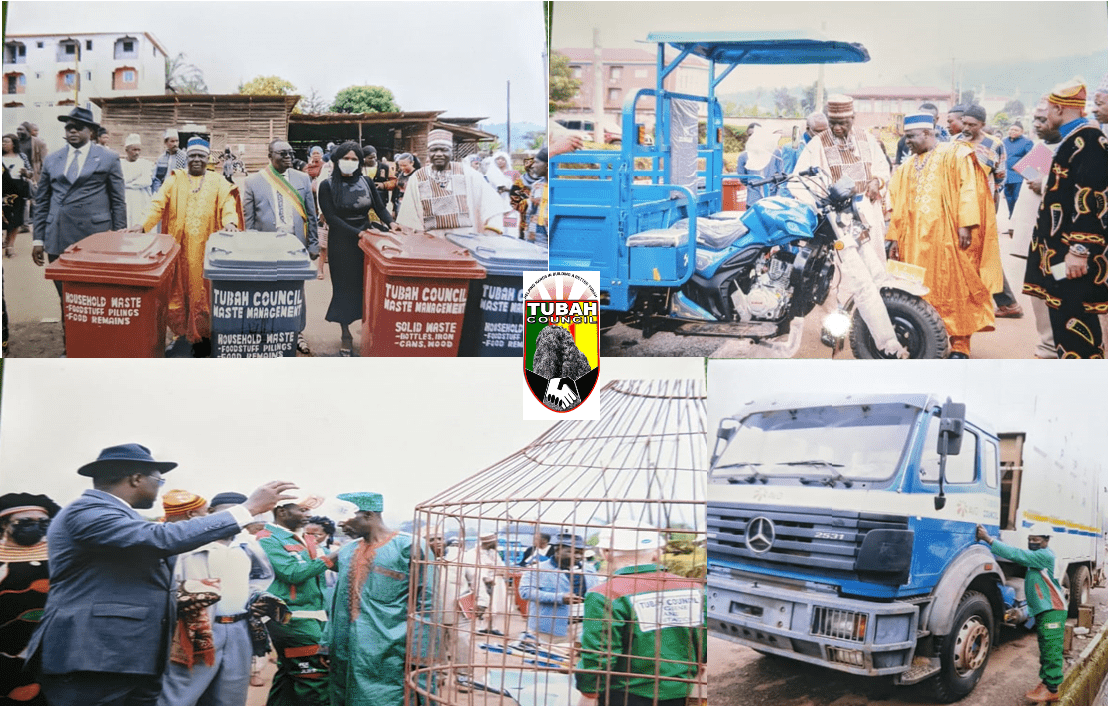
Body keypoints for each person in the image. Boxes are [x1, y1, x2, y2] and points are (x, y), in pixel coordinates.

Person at [24, 443, 296, 706]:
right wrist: (246, 509)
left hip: (123, 656)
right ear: (136, 478)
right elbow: (159, 538)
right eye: (159, 480)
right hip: (94, 656)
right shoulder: (89, 511)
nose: (158, 489)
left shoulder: (116, 514)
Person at [886, 112, 1003, 358]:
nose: (906, 142)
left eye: (910, 137)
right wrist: (894, 237)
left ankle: (961, 345)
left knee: (955, 289)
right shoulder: (906, 166)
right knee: (918, 290)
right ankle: (924, 338)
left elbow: (969, 189)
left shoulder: (955, 154)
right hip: (914, 243)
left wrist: (966, 224)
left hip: (948, 238)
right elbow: (896, 204)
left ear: (927, 133)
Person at [157, 491, 276, 706]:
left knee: (231, 695)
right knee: (180, 695)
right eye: (228, 513)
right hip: (196, 629)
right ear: (211, 513)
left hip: (239, 628)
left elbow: (261, 577)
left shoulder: (247, 545)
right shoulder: (186, 546)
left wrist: (256, 596)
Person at [1022, 79, 1108, 358]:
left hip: (1074, 259)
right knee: (1061, 314)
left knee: (1076, 323)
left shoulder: (1090, 141)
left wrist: (1080, 251)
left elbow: (1091, 198)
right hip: (1060, 259)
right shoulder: (1073, 139)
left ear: (1058, 108)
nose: (1045, 115)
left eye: (1047, 109)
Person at [575, 526, 706, 706]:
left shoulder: (604, 594)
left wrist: (589, 693)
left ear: (606, 553)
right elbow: (702, 640)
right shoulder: (694, 589)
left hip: (625, 694)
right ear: (656, 553)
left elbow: (598, 654)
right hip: (678, 691)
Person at [138, 136, 243, 356]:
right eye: (192, 156)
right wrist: (142, 226)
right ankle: (181, 336)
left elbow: (228, 204)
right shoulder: (174, 179)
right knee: (177, 292)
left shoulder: (218, 181)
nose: (196, 160)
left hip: (206, 251)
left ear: (208, 159)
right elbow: (157, 204)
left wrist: (230, 223)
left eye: (201, 156)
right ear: (187, 158)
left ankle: (205, 337)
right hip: (178, 250)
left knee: (204, 293)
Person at [325, 492, 433, 706]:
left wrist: (420, 655)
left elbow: (427, 602)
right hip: (346, 648)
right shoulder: (346, 551)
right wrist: (327, 642)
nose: (341, 523)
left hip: (389, 650)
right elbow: (337, 601)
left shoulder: (409, 546)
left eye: (347, 516)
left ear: (368, 515)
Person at [31, 107, 127, 299]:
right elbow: (41, 201)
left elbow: (118, 201)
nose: (72, 131)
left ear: (91, 132)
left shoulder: (108, 157)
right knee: (64, 292)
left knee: (93, 291)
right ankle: (68, 328)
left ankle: (92, 329)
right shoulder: (52, 160)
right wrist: (38, 239)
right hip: (58, 235)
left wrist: (118, 237)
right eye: (68, 128)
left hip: (95, 237)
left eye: (78, 127)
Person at [318, 142, 400, 356]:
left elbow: (379, 207)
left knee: (368, 288)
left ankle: (370, 330)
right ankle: (345, 334)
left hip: (367, 241)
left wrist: (391, 223)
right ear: (337, 160)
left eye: (355, 160)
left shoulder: (366, 181)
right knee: (344, 289)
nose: (350, 163)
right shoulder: (327, 185)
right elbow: (332, 218)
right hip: (342, 242)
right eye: (347, 158)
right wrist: (357, 233)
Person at [793, 95, 892, 266]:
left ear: (853, 119)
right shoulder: (817, 143)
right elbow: (798, 181)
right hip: (837, 218)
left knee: (872, 264)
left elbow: (883, 168)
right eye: (832, 122)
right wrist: (820, 203)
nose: (837, 128)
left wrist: (877, 181)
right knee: (843, 269)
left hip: (868, 212)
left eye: (843, 123)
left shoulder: (867, 139)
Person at [242, 139, 320, 355]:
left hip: (295, 245)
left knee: (295, 289)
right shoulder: (253, 182)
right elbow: (249, 221)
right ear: (270, 156)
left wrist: (313, 243)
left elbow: (311, 216)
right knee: (265, 289)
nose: (288, 157)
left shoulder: (302, 178)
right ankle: (265, 331)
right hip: (266, 246)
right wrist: (251, 248)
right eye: (282, 153)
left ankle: (297, 332)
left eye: (290, 153)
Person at [256, 494, 335, 706]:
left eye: (309, 511)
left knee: (289, 678)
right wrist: (330, 558)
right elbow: (292, 573)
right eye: (302, 510)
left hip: (311, 618)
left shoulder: (303, 539)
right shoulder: (267, 538)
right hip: (293, 620)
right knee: (314, 678)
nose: (307, 515)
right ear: (282, 512)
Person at [975, 523, 1064, 702]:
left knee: (1051, 649)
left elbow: (1017, 554)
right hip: (1044, 609)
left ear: (1046, 541)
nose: (1032, 542)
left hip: (1052, 609)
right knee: (1046, 647)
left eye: (1036, 540)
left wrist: (989, 540)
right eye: (1030, 539)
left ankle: (1052, 689)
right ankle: (1046, 683)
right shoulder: (1038, 555)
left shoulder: (1044, 555)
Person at [954, 105, 1022, 319]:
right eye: (964, 123)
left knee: (984, 254)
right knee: (963, 251)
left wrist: (986, 202)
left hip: (984, 206)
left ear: (983, 125)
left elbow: (1000, 177)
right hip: (958, 206)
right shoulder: (955, 142)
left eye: (972, 125)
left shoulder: (995, 144)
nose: (967, 128)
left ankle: (1006, 303)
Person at [1011, 100, 1063, 359]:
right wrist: (1015, 228)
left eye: (1043, 119)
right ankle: (1048, 343)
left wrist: (1044, 185)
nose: (1038, 125)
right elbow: (1026, 190)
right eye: (1036, 120)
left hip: (1060, 238)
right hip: (1035, 236)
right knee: (1038, 289)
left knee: (1058, 284)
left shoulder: (1075, 148)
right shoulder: (1043, 148)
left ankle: (1056, 343)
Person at [0, 492, 61, 706]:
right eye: (25, 522)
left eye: (43, 522)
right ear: (4, 524)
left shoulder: (61, 560)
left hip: (50, 650)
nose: (36, 526)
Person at [396, 129, 510, 237]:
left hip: (465, 243)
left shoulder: (469, 174)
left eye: (444, 149)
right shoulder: (417, 177)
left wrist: (490, 231)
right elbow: (408, 214)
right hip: (429, 244)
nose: (439, 154)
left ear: (452, 152)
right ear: (428, 153)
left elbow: (492, 205)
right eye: (434, 150)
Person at [518, 532, 599, 643]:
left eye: (581, 553)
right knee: (548, 658)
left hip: (583, 626)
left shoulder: (589, 570)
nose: (578, 556)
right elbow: (525, 592)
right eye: (572, 552)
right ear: (557, 550)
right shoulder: (537, 569)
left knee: (577, 659)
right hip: (550, 629)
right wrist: (559, 598)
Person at [460, 531, 512, 636]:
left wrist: (497, 572)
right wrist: (486, 577)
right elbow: (473, 570)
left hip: (496, 581)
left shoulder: (493, 553)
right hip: (481, 582)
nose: (497, 544)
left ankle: (491, 627)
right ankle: (478, 627)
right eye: (495, 542)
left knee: (495, 606)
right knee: (479, 605)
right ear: (489, 543)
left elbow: (500, 567)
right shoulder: (473, 553)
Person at [735, 125, 787, 206]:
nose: (753, 137)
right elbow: (742, 178)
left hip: (772, 199)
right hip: (753, 200)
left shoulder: (775, 153)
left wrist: (778, 195)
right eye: (750, 135)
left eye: (755, 134)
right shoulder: (743, 156)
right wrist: (753, 183)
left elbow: (782, 175)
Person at [3, 133, 32, 257]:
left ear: (14, 144)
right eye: (2, 142)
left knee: (16, 219)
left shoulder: (22, 156)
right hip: (3, 191)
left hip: (18, 192)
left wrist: (26, 173)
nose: (3, 144)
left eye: (6, 142)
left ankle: (10, 245)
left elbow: (30, 173)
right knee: (4, 218)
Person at [120, 133, 155, 228]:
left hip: (141, 198)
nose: (137, 153)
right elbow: (120, 181)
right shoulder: (120, 164)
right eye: (134, 150)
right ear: (127, 150)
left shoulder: (145, 164)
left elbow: (146, 181)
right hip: (125, 198)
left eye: (139, 150)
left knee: (139, 222)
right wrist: (132, 181)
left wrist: (127, 184)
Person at [1002, 122, 1035, 217]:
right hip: (1006, 175)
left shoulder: (1027, 142)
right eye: (1011, 129)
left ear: (1022, 132)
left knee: (1017, 199)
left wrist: (1030, 176)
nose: (1012, 131)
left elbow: (1031, 159)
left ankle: (1017, 223)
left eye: (1016, 130)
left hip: (1019, 176)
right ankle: (1011, 220)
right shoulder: (1004, 141)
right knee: (1008, 199)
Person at [153, 128, 188, 193]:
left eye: (177, 141)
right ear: (166, 142)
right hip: (163, 191)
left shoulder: (184, 157)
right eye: (172, 141)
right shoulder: (161, 158)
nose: (175, 144)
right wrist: (158, 191)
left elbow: (186, 177)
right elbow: (157, 178)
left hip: (177, 191)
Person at [391, 152, 417, 218]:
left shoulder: (417, 175)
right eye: (400, 165)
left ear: (412, 163)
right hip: (399, 204)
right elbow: (396, 191)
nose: (402, 168)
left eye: (405, 165)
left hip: (412, 207)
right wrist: (394, 209)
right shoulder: (399, 175)